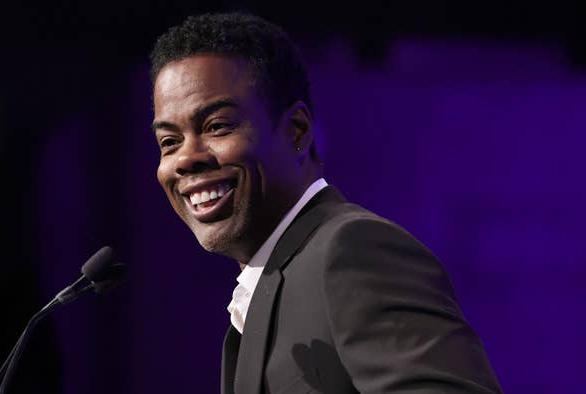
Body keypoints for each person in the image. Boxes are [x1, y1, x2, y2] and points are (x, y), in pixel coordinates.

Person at [149, 12, 502, 394]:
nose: (185, 159)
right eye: (169, 142)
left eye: (217, 126)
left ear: (296, 131)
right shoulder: (270, 282)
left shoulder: (352, 250)